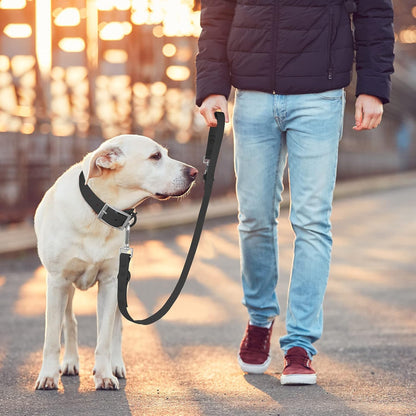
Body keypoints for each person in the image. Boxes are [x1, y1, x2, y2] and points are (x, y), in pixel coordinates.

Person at [196, 0, 394, 385]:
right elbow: (216, 15)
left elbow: (374, 12)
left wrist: (373, 86)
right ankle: (259, 319)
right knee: (253, 218)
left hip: (320, 97)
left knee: (312, 221)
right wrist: (211, 87)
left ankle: (300, 344)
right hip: (251, 96)